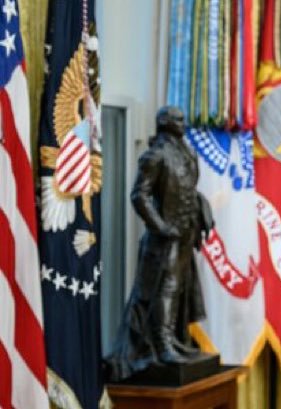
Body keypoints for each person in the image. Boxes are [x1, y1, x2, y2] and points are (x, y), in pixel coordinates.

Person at [105, 106, 212, 380]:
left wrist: (202, 211)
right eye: (178, 120)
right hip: (164, 238)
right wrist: (160, 226)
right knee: (165, 288)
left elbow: (190, 189)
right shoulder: (154, 155)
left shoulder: (188, 153)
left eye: (183, 119)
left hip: (187, 232)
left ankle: (175, 337)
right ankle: (162, 346)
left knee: (180, 288)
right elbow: (139, 195)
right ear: (165, 123)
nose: (183, 124)